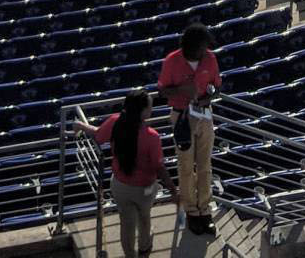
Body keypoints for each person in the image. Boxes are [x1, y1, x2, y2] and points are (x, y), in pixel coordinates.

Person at [158, 26, 221, 237]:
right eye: (202, 46)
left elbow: (216, 85)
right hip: (181, 116)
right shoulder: (172, 61)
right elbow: (162, 90)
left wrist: (209, 97)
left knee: (205, 165)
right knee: (185, 166)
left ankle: (205, 210)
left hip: (204, 114)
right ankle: (191, 212)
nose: (205, 50)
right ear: (192, 46)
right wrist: (181, 91)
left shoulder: (210, 59)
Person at [94, 89, 166, 258]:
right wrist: (172, 188)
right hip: (144, 189)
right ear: (141, 111)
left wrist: (81, 126)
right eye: (149, 107)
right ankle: (144, 249)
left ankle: (130, 255)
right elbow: (159, 166)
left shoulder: (114, 121)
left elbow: (98, 136)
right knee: (144, 218)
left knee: (126, 224)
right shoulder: (152, 136)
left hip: (120, 186)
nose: (151, 110)